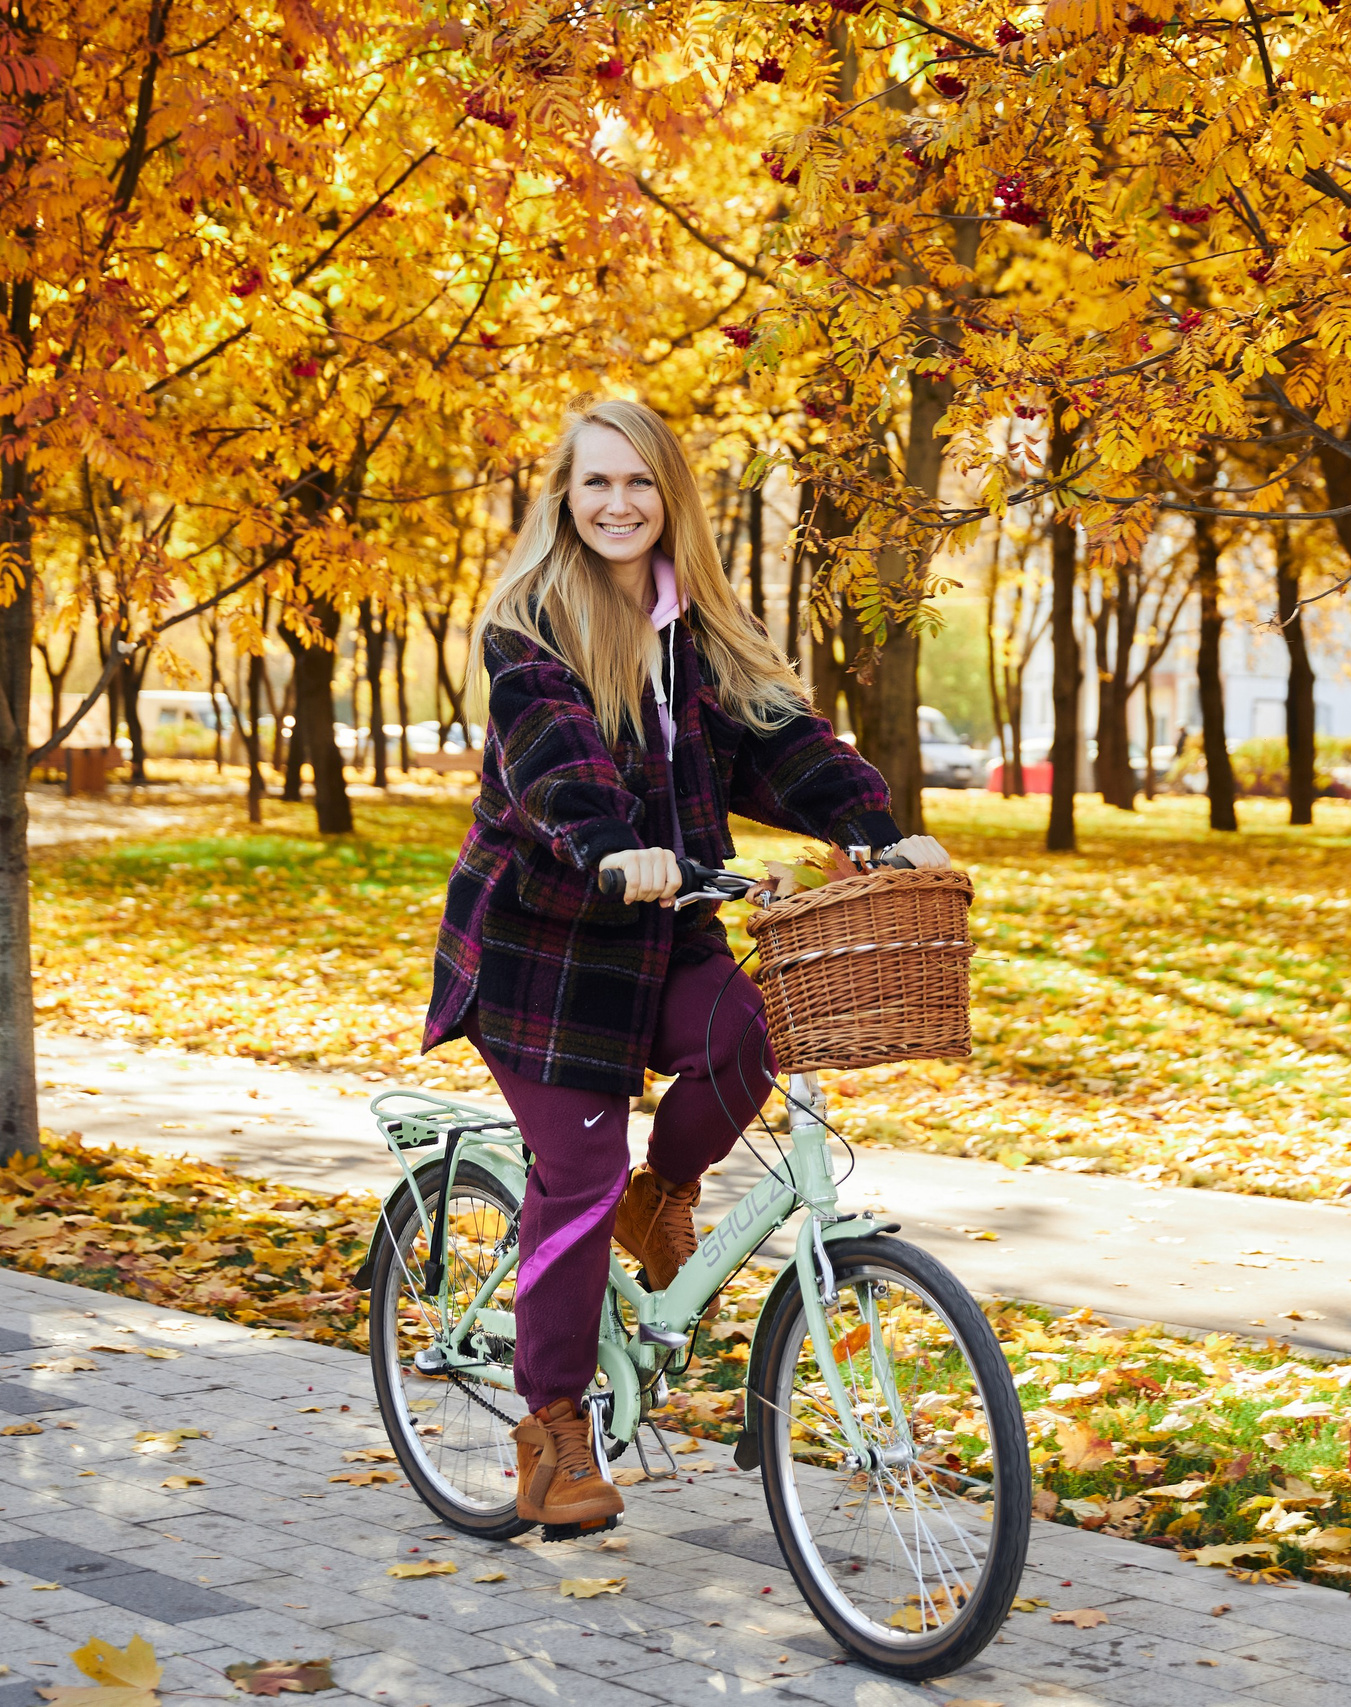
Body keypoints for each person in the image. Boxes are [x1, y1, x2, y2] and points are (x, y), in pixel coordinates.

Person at [420, 396, 947, 1528]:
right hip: (544, 958)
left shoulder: (692, 627)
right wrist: (615, 848)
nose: (618, 503)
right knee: (576, 1177)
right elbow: (555, 763)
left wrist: (874, 828)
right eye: (596, 482)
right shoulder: (528, 629)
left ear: (672, 500)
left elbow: (783, 739)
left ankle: (667, 1191)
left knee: (755, 1031)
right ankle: (554, 1424)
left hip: (664, 938)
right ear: (564, 495)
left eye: (640, 483)